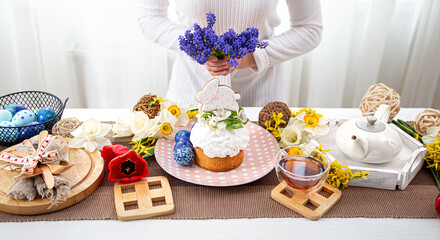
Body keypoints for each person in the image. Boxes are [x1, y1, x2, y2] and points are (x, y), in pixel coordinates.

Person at [138, 0, 322, 107]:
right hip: (189, 99)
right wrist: (195, 46)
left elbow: (309, 29)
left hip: (260, 102)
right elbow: (150, 17)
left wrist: (253, 57)